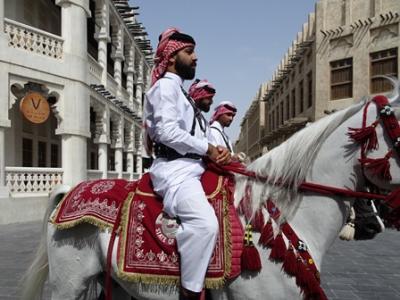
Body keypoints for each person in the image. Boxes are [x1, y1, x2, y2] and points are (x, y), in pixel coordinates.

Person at [143, 28, 230, 300]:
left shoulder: (181, 94)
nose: (195, 58)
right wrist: (208, 148)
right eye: (189, 52)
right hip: (176, 172)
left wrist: (218, 154)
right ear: (171, 58)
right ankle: (190, 292)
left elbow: (198, 138)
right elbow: (166, 133)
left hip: (194, 168)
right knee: (205, 225)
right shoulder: (165, 88)